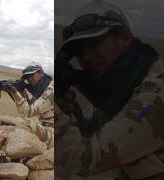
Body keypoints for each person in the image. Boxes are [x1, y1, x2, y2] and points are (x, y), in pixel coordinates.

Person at [57, 0, 164, 179]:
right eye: (79, 51)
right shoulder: (123, 87)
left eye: (94, 43)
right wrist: (73, 111)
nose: (86, 57)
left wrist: (56, 115)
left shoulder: (156, 90)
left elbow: (88, 158)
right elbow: (105, 127)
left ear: (125, 38)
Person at [2, 62, 54, 148]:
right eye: (27, 77)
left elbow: (28, 112)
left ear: (41, 73)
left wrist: (15, 92)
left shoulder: (51, 90)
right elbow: (23, 109)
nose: (29, 79)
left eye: (32, 75)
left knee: (24, 124)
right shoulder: (39, 90)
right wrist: (12, 92)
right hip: (46, 128)